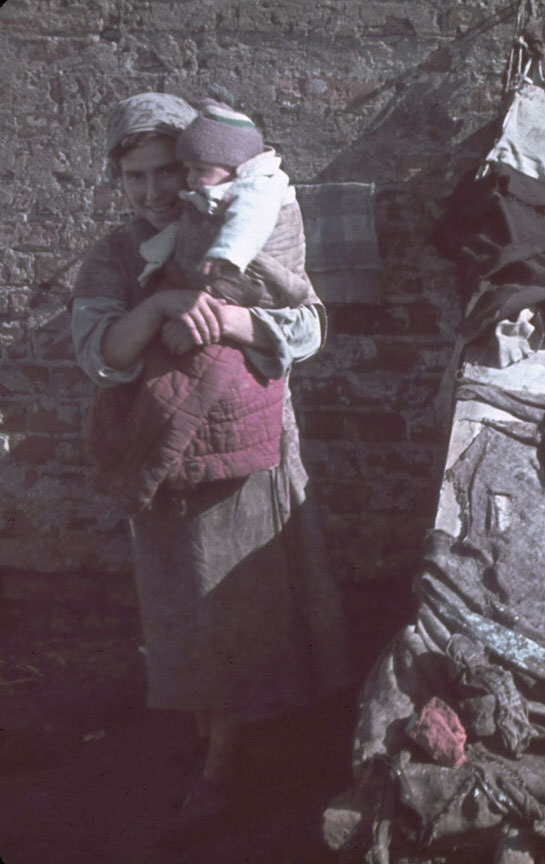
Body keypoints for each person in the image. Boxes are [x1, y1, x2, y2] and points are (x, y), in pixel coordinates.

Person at [69, 92, 351, 831]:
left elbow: (309, 325)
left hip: (251, 444)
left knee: (248, 596)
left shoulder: (241, 222)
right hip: (163, 449)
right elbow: (98, 352)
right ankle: (218, 738)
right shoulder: (116, 254)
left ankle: (229, 765)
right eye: (137, 178)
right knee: (189, 604)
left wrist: (232, 319)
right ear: (117, 181)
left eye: (171, 172)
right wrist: (159, 311)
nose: (158, 192)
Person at [147, 97, 313, 311]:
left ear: (236, 166)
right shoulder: (219, 189)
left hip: (259, 286)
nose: (190, 178)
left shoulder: (261, 187)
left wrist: (227, 254)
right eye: (188, 169)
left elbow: (249, 219)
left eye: (200, 169)